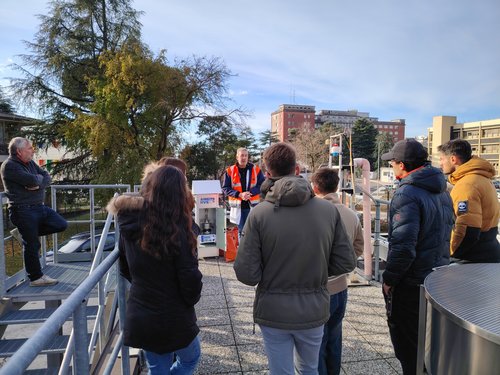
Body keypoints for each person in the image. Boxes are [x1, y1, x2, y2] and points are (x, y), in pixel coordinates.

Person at [234, 142, 356, 375]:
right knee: (309, 369)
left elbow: (247, 274)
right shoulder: (328, 211)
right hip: (314, 308)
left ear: (267, 173)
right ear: (297, 169)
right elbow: (346, 262)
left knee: (280, 371)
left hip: (273, 311)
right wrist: (316, 267)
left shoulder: (259, 213)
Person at [107, 166, 203, 375]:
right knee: (191, 357)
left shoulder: (130, 223)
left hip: (142, 311)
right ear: (179, 193)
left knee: (157, 368)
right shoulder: (180, 228)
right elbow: (190, 278)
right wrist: (191, 299)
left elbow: (124, 267)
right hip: (174, 314)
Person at [380, 139, 454, 375]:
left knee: (407, 344)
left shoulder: (407, 193)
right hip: (436, 278)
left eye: (392, 162)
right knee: (428, 344)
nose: (392, 167)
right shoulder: (442, 190)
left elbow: (403, 246)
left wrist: (389, 280)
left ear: (402, 165)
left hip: (411, 283)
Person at [310, 168, 363, 375]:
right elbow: (358, 247)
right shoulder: (351, 214)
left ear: (315, 188)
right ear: (337, 187)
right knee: (334, 338)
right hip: (341, 287)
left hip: (319, 289)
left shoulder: (312, 214)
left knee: (316, 345)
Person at [0, 137, 67, 286]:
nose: (33, 150)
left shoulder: (30, 163)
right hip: (22, 210)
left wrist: (37, 183)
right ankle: (36, 278)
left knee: (61, 224)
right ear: (19, 151)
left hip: (39, 207)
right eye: (29, 148)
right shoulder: (10, 166)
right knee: (32, 244)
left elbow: (46, 177)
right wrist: (36, 181)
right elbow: (34, 180)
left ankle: (25, 232)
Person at [437, 139, 500, 263]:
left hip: (473, 259)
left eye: (442, 159)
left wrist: (450, 254)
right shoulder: (482, 178)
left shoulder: (467, 184)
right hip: (490, 251)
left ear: (453, 159)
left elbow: (467, 230)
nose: (440, 164)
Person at [222, 147, 265, 235]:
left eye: (246, 155)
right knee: (242, 232)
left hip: (252, 206)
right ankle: (242, 248)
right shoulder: (230, 171)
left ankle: (251, 248)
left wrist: (251, 193)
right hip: (238, 208)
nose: (244, 158)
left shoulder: (256, 170)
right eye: (242, 155)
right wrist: (239, 194)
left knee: (253, 232)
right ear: (237, 157)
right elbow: (225, 188)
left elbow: (263, 185)